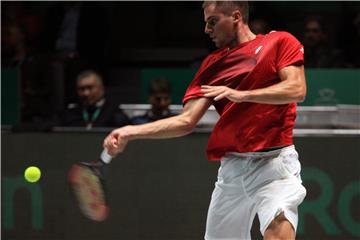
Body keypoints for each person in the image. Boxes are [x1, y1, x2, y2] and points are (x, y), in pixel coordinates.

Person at [104, 1, 307, 239]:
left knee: (279, 233)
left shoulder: (279, 42)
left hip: (274, 164)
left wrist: (242, 95)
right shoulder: (212, 65)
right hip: (232, 170)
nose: (207, 30)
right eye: (205, 23)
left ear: (236, 16)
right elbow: (186, 121)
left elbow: (296, 89)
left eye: (213, 22)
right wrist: (130, 131)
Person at [59, 70, 130, 129]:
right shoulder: (69, 114)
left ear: (101, 88)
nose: (86, 93)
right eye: (81, 89)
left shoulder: (115, 113)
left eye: (90, 88)